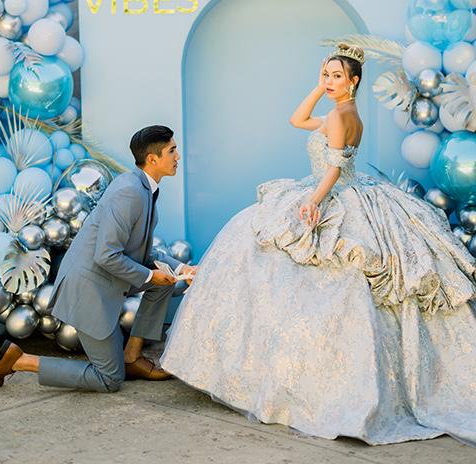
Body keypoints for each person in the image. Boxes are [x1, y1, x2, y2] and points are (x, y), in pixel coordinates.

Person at [161, 44, 476, 446]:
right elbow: (297, 120)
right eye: (326, 74)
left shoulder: (343, 116)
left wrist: (311, 203)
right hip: (334, 188)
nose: (329, 82)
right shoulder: (339, 111)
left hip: (332, 192)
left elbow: (334, 167)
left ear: (354, 81)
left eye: (336, 76)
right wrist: (318, 86)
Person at [0, 125, 196, 392]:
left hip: (109, 279)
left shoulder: (145, 189)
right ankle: (19, 361)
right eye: (172, 151)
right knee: (110, 379)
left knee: (166, 283)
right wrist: (149, 276)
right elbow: (107, 255)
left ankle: (132, 356)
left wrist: (182, 267)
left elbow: (142, 253)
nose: (177, 157)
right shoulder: (130, 191)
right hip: (89, 289)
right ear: (153, 159)